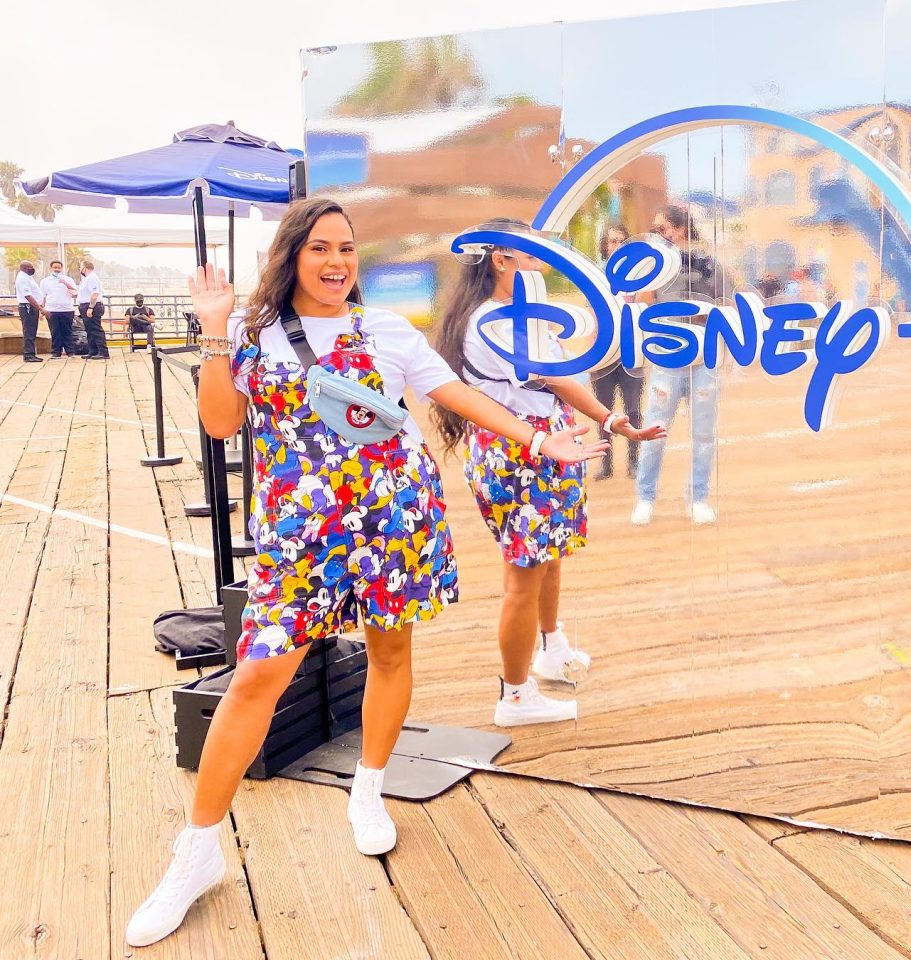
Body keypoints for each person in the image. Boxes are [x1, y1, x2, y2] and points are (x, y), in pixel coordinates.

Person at [125, 197, 607, 949]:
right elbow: (221, 423)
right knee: (256, 676)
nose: (336, 262)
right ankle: (197, 849)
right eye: (320, 248)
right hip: (298, 536)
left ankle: (369, 789)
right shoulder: (252, 334)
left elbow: (460, 397)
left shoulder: (383, 329)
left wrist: (540, 442)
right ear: (292, 255)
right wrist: (214, 328)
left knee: (390, 654)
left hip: (393, 521)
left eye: (347, 249)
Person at [431, 221, 664, 728]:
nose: (539, 266)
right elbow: (556, 378)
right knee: (523, 576)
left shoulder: (503, 315)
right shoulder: (497, 320)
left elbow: (557, 379)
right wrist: (609, 419)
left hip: (534, 443)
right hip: (523, 448)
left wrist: (607, 419)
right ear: (501, 260)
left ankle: (550, 647)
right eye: (531, 257)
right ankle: (515, 695)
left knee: (547, 558)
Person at [631, 205, 732, 527]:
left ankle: (697, 497)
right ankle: (645, 497)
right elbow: (643, 301)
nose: (659, 234)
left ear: (680, 228)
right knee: (655, 430)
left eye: (663, 228)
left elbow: (727, 303)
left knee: (703, 433)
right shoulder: (656, 265)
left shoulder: (707, 263)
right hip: (668, 356)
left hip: (704, 357)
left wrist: (704, 312)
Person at [590, 223, 644, 480]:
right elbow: (592, 317)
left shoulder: (639, 278)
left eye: (620, 241)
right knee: (603, 410)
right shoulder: (596, 277)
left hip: (630, 351)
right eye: (611, 241)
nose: (615, 246)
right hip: (604, 352)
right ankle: (606, 464)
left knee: (632, 409)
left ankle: (634, 461)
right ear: (605, 246)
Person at [38, 260, 78, 359]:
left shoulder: (68, 279)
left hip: (67, 310)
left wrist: (65, 283)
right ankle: (56, 352)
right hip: (51, 310)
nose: (57, 269)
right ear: (51, 268)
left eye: (59, 267)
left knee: (67, 331)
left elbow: (75, 293)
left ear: (62, 268)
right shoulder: (45, 281)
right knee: (55, 331)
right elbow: (42, 297)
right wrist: (42, 311)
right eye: (55, 267)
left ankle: (70, 352)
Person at [77, 260, 110, 359]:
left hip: (92, 306)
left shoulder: (92, 278)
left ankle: (103, 352)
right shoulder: (87, 279)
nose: (80, 269)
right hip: (85, 305)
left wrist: (91, 307)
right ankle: (93, 351)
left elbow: (94, 294)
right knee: (89, 330)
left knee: (96, 329)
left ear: (85, 268)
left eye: (80, 267)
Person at [14, 261, 45, 362]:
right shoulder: (22, 278)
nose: (32, 269)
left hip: (32, 307)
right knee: (29, 331)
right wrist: (40, 309)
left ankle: (31, 353)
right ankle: (28, 355)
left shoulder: (27, 277)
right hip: (28, 307)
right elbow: (27, 296)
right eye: (30, 267)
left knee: (32, 331)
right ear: (25, 268)